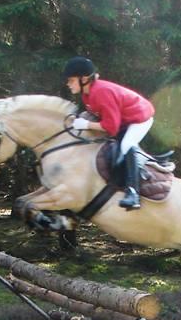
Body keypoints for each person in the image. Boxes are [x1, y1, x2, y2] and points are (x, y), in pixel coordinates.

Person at [62, 56, 155, 210]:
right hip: (124, 120)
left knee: (126, 145)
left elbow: (111, 127)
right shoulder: (87, 94)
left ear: (84, 79)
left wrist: (86, 124)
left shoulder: (100, 92)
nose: (68, 84)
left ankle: (133, 193)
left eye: (71, 80)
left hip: (140, 118)